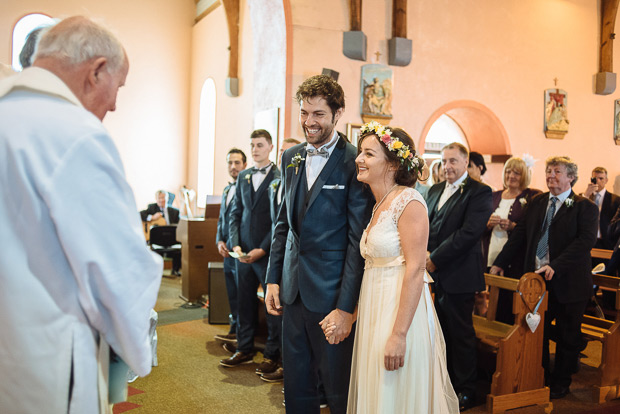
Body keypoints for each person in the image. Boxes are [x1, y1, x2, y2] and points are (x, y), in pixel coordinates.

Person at [0, 16, 162, 413]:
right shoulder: (73, 133)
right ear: (97, 71)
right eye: (118, 87)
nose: (115, 104)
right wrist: (136, 346)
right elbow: (117, 268)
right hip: (47, 356)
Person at [329, 122, 458, 413]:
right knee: (378, 393)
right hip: (376, 309)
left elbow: (415, 270)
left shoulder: (409, 202)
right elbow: (375, 269)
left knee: (396, 393)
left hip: (400, 314)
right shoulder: (380, 204)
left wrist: (399, 335)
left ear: (391, 164)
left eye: (368, 154)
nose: (358, 159)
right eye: (360, 152)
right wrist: (353, 315)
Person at [265, 74, 373, 414]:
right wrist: (273, 278)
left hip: (331, 297)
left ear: (337, 113)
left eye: (318, 114)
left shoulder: (355, 161)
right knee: (296, 384)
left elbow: (358, 242)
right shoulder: (291, 157)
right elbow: (283, 223)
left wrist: (346, 307)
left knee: (337, 387)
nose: (309, 122)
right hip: (293, 290)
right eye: (304, 113)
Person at [490, 156, 598, 399]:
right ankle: (540, 374)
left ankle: (561, 380)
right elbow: (520, 235)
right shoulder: (538, 202)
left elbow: (585, 241)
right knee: (537, 330)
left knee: (567, 333)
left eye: (557, 172)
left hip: (569, 281)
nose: (551, 176)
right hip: (537, 280)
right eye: (549, 171)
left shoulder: (583, 207)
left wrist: (556, 265)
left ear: (571, 177)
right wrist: (499, 262)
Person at [425, 142, 493, 411]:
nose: (447, 166)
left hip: (460, 275)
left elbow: (468, 233)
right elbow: (427, 225)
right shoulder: (434, 190)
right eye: (444, 161)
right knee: (439, 332)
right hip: (434, 274)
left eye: (453, 161)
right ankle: (445, 383)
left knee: (460, 335)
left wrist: (434, 258)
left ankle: (466, 389)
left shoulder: (479, 192)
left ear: (466, 163)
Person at [222, 129, 282, 377]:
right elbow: (235, 213)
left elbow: (279, 219)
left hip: (266, 253)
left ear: (270, 147)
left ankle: (271, 354)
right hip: (242, 252)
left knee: (272, 307)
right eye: (252, 145)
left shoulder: (279, 176)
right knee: (243, 303)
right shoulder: (244, 176)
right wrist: (235, 244)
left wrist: (262, 249)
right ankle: (244, 348)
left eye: (260, 145)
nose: (255, 149)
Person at [481, 157, 541, 323]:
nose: (511, 176)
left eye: (516, 172)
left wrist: (513, 226)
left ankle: (508, 337)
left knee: (509, 301)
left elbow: (533, 228)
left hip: (516, 257)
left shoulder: (532, 196)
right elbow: (477, 226)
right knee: (493, 298)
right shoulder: (494, 196)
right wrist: (487, 224)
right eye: (508, 171)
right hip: (492, 252)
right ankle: (493, 332)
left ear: (524, 176)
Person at [214, 148, 247, 344]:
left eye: (237, 163)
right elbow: (221, 219)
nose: (233, 167)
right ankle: (234, 329)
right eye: (230, 163)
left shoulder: (247, 187)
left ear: (244, 165)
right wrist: (219, 240)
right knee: (232, 293)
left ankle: (242, 335)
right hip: (225, 250)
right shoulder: (227, 189)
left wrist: (235, 245)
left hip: (240, 249)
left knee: (242, 294)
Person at [582, 166, 620, 249]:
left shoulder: (616, 200)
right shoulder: (583, 197)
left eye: (601, 178)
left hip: (607, 242)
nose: (598, 181)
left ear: (606, 180)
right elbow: (573, 211)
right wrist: (586, 196)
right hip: (586, 241)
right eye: (595, 178)